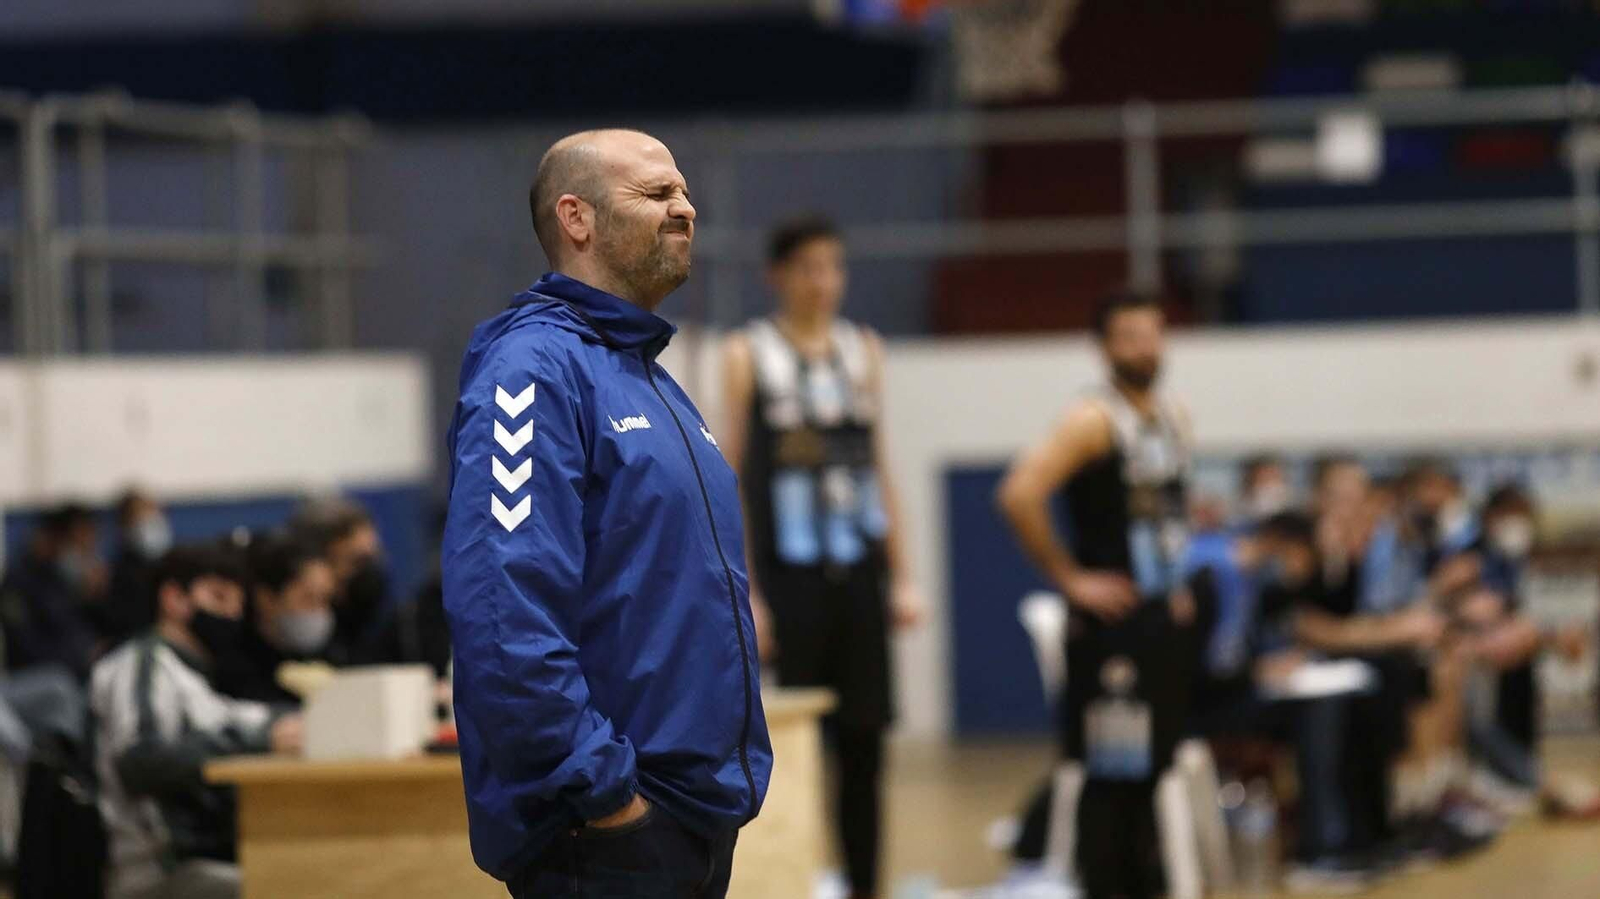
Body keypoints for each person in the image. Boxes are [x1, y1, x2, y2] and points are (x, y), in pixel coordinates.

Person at [442, 128, 772, 899]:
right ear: (577, 218)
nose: (685, 209)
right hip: (603, 837)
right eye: (656, 194)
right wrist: (604, 793)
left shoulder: (647, 378)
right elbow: (502, 610)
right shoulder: (531, 371)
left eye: (685, 192)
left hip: (685, 817)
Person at [718, 215, 922, 899]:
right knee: (796, 748)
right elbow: (733, 479)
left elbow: (879, 463)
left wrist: (904, 573)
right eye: (808, 267)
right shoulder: (748, 352)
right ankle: (794, 882)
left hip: (859, 573)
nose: (823, 281)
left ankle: (868, 886)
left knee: (866, 748)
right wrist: (748, 592)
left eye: (834, 266)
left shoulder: (864, 348)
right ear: (778, 274)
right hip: (789, 577)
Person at [996, 293, 1203, 899]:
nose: (1144, 347)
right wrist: (1070, 578)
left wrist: (1176, 583)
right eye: (1129, 336)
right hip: (1110, 628)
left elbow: (1169, 515)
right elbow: (1019, 495)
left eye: (1152, 333)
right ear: (1106, 347)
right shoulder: (1091, 420)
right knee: (1112, 772)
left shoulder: (1173, 416)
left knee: (1152, 770)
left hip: (1159, 618)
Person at [91, 544, 303, 899]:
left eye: (238, 603)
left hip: (201, 860)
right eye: (219, 598)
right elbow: (141, 761)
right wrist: (260, 741)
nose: (232, 614)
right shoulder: (142, 665)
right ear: (174, 598)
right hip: (158, 873)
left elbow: (238, 718)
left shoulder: (188, 674)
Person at [213, 534, 337, 706]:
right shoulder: (232, 669)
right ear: (267, 599)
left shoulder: (332, 656)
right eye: (308, 599)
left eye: (325, 599)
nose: (318, 612)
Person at [0, 504, 107, 680]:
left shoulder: (58, 578)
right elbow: (25, 647)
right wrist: (82, 656)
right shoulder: (17, 582)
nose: (83, 554)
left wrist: (96, 596)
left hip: (76, 671)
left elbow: (78, 628)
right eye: (77, 543)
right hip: (39, 677)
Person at [287, 499, 390, 666]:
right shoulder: (299, 630)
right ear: (318, 560)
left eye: (371, 561)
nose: (367, 575)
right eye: (357, 561)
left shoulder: (366, 622)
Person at [100, 489, 174, 648]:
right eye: (143, 519)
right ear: (126, 527)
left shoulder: (169, 565)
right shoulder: (123, 574)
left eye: (155, 516)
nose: (153, 524)